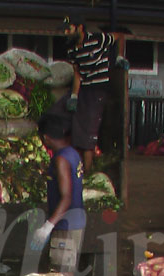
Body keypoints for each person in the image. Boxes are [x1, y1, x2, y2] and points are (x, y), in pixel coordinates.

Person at [54, 14, 126, 174]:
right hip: (84, 90)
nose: (65, 33)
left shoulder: (97, 39)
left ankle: (88, 173)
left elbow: (120, 37)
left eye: (68, 29)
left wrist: (119, 56)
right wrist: (74, 95)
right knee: (74, 126)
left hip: (98, 90)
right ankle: (79, 168)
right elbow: (77, 73)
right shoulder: (72, 49)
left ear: (79, 27)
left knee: (88, 133)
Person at [30, 113, 86, 276]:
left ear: (46, 137)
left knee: (63, 272)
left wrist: (48, 226)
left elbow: (66, 198)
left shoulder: (61, 159)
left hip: (65, 224)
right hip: (77, 220)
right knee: (65, 268)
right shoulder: (73, 153)